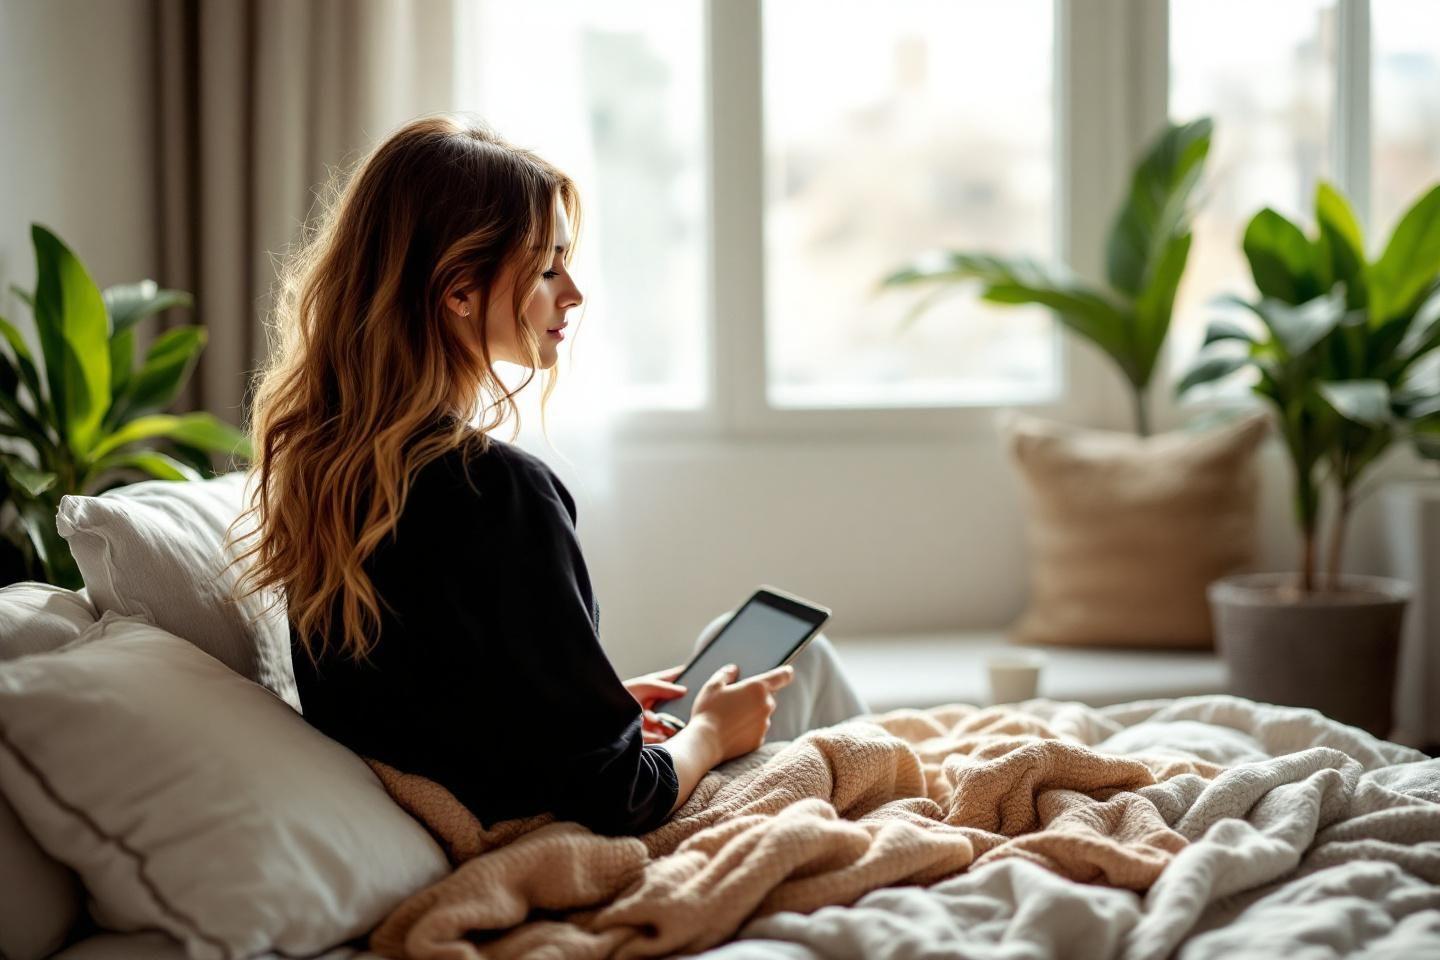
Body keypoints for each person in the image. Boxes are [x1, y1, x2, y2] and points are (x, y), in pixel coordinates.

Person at [231, 113, 869, 838]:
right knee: (796, 666)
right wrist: (711, 737)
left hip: (506, 785)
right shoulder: (496, 493)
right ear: (459, 291)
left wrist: (586, 709)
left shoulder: (328, 481)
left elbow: (428, 700)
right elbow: (620, 794)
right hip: (576, 821)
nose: (573, 293)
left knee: (735, 648)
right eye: (545, 268)